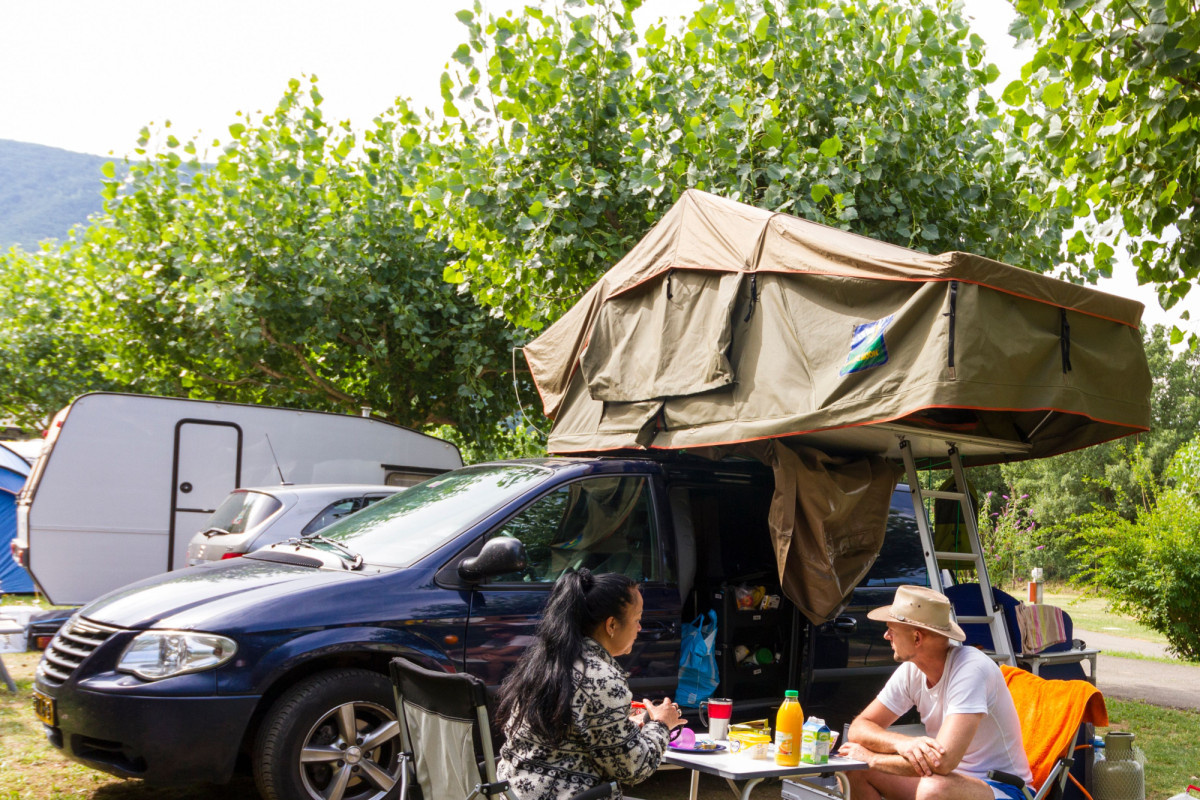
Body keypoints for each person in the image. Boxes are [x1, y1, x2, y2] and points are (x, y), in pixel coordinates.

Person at [496, 569, 686, 800]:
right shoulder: (601, 677)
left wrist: (624, 726)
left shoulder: (545, 660)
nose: (640, 628)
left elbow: (567, 734)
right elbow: (634, 769)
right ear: (611, 625)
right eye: (637, 620)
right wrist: (661, 724)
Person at [837, 585, 1032, 800]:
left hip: (1004, 789)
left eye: (892, 629)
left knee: (933, 789)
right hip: (945, 780)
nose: (886, 636)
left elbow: (942, 762)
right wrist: (902, 743)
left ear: (917, 638)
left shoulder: (971, 669)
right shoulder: (912, 671)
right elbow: (859, 727)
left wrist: (873, 758)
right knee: (852, 768)